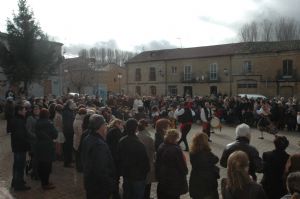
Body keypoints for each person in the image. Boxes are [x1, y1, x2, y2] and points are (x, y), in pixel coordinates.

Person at [81, 114, 115, 199]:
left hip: (90, 182)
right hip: (99, 187)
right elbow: (101, 170)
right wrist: (110, 184)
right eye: (105, 125)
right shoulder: (99, 145)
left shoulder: (88, 137)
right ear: (101, 127)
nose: (106, 127)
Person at [117, 118, 150, 199]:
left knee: (127, 195)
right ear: (136, 128)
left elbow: (118, 157)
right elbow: (145, 162)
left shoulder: (122, 140)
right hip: (138, 176)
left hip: (126, 174)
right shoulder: (139, 143)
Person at [155, 129, 188, 199]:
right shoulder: (176, 149)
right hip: (173, 181)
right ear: (175, 138)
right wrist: (185, 171)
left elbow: (157, 162)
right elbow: (182, 166)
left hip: (162, 178)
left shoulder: (161, 145)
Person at [189, 133, 219, 199]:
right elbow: (216, 159)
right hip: (207, 180)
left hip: (195, 178)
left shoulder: (192, 152)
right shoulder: (206, 153)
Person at [35, 108, 58, 190]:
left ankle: (44, 181)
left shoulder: (37, 122)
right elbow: (55, 135)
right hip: (47, 146)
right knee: (47, 166)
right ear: (47, 115)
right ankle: (45, 183)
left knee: (41, 164)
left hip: (39, 145)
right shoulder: (49, 123)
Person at [11, 103, 31, 191]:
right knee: (19, 166)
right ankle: (18, 185)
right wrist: (27, 143)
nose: (25, 111)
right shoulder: (19, 121)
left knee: (16, 165)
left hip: (17, 146)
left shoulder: (17, 119)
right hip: (20, 146)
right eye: (24, 110)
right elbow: (21, 135)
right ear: (19, 111)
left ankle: (16, 181)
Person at [137, 119, 155, 199]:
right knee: (147, 184)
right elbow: (154, 150)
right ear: (146, 127)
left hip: (138, 165)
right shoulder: (149, 138)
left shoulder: (136, 136)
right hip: (148, 163)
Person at [106, 118, 124, 199]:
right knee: (115, 177)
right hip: (115, 157)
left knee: (113, 176)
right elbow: (118, 145)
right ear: (117, 124)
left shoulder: (110, 130)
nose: (122, 126)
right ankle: (115, 194)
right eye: (121, 124)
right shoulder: (116, 132)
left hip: (110, 155)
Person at [25, 104, 40, 180]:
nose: (37, 111)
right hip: (33, 141)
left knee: (39, 157)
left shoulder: (40, 117)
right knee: (34, 157)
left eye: (38, 109)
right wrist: (35, 136)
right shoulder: (30, 118)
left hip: (40, 141)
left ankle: (37, 171)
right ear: (32, 110)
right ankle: (35, 173)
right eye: (35, 109)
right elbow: (28, 131)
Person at [62, 100, 76, 167]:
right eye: (73, 103)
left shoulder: (69, 111)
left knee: (68, 147)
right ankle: (67, 162)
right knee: (68, 147)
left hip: (68, 131)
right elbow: (68, 124)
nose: (74, 105)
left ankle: (68, 161)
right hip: (68, 132)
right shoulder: (67, 112)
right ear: (70, 105)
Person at [73, 108, 87, 172]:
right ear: (82, 114)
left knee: (77, 153)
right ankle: (79, 168)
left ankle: (78, 167)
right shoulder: (80, 122)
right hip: (78, 139)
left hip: (76, 137)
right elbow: (81, 133)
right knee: (79, 155)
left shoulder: (76, 119)